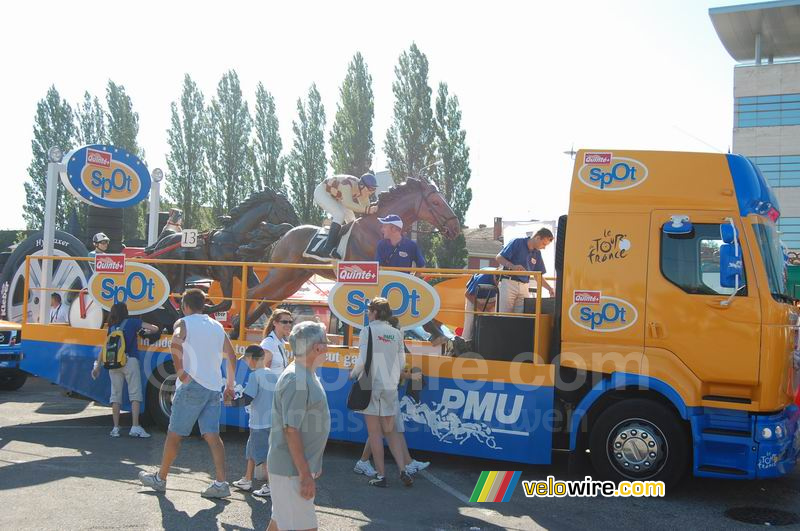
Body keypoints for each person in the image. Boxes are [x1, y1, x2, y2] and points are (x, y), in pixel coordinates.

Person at [138, 288, 237, 498]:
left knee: (174, 435)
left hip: (192, 386)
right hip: (213, 387)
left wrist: (181, 373)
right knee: (212, 435)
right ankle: (221, 483)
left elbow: (175, 343)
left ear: (184, 306)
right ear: (204, 305)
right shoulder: (217, 326)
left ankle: (160, 478)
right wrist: (229, 385)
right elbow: (231, 355)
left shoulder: (184, 323)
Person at [267, 321, 331, 531]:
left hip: (291, 470)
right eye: (326, 341)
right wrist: (305, 474)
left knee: (279, 523)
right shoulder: (297, 379)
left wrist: (312, 465)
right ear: (317, 348)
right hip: (290, 472)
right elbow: (291, 430)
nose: (329, 346)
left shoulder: (305, 373)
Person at [354, 315, 430, 478]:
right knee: (387, 428)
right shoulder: (388, 340)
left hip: (385, 390)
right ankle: (400, 465)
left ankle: (402, 464)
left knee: (386, 429)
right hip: (384, 390)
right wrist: (411, 377)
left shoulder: (385, 340)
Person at [351, 298, 413, 488]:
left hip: (371, 383)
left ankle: (381, 475)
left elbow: (362, 360)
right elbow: (401, 363)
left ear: (375, 312)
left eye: (369, 311)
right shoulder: (396, 333)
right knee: (391, 431)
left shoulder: (367, 330)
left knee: (375, 433)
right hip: (390, 384)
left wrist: (352, 374)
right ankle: (403, 469)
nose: (367, 314)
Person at [91, 302, 160, 437]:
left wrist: (97, 366)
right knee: (135, 394)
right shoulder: (132, 322)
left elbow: (104, 347)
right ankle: (135, 427)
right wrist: (143, 331)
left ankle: (115, 428)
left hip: (113, 363)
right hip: (130, 361)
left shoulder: (111, 328)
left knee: (115, 395)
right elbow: (154, 328)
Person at [232, 345, 280, 498]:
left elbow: (248, 398)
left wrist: (231, 402)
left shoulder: (255, 376)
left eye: (246, 360)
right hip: (271, 421)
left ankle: (271, 486)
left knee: (262, 456)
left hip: (259, 423)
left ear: (252, 359)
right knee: (252, 451)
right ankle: (247, 479)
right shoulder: (272, 375)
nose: (246, 363)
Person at [313, 173, 379, 258]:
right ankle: (327, 249)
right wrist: (368, 210)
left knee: (352, 221)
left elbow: (366, 210)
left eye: (373, 190)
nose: (371, 193)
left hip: (337, 197)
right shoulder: (347, 184)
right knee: (339, 215)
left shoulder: (362, 190)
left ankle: (346, 246)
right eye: (370, 189)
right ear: (362, 185)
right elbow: (348, 204)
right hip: (322, 192)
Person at [495, 228, 555, 314]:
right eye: (543, 244)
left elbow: (538, 276)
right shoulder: (517, 242)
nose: (544, 248)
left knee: (522, 316)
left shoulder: (537, 253)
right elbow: (499, 257)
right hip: (509, 282)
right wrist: (513, 266)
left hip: (525, 286)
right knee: (504, 315)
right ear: (537, 238)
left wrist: (549, 288)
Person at [462, 270, 499, 343]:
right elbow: (467, 294)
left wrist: (489, 306)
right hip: (473, 297)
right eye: (498, 284)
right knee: (470, 323)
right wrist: (482, 307)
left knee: (490, 322)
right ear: (496, 279)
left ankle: (487, 344)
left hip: (491, 299)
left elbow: (501, 299)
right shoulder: (483, 278)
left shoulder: (505, 283)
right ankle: (465, 345)